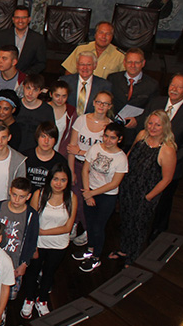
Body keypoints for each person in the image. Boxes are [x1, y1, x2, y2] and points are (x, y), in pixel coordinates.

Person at [116, 111, 176, 264]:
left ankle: (132, 259)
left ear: (165, 127)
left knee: (138, 227)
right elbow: (130, 154)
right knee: (125, 220)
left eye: (158, 124)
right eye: (151, 123)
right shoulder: (142, 135)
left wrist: (148, 197)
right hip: (128, 188)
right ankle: (123, 250)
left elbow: (167, 179)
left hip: (145, 194)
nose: (153, 127)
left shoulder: (167, 149)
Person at [21, 163, 76, 318]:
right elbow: (31, 222)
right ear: (49, 179)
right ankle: (29, 298)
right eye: (55, 179)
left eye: (63, 180)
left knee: (49, 273)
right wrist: (35, 241)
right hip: (38, 243)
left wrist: (43, 232)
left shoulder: (72, 198)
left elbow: (67, 227)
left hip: (59, 245)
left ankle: (43, 299)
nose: (58, 183)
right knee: (32, 272)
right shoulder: (39, 194)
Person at [149, 73, 183, 237]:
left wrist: (168, 161)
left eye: (179, 87)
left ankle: (158, 228)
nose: (174, 89)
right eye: (172, 85)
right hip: (148, 163)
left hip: (171, 167)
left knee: (163, 201)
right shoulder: (156, 102)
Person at [77, 122, 127, 272]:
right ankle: (90, 249)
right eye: (106, 136)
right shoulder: (95, 148)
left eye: (112, 137)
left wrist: (91, 194)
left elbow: (114, 183)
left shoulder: (121, 158)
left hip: (106, 197)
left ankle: (96, 257)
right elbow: (85, 170)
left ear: (119, 139)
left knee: (99, 227)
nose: (108, 140)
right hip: (89, 191)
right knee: (90, 223)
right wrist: (87, 192)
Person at [66, 90, 113, 245]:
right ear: (93, 102)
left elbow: (105, 153)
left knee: (88, 200)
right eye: (99, 102)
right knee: (75, 200)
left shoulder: (110, 126)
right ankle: (73, 225)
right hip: (78, 166)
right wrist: (71, 170)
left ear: (109, 106)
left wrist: (81, 151)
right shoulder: (81, 120)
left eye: (105, 103)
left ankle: (88, 230)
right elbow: (71, 148)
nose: (101, 106)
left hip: (96, 170)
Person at [0, 177, 39, 301]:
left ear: (28, 196)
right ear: (9, 191)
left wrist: (24, 263)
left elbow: (32, 241)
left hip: (15, 264)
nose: (17, 200)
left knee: (8, 297)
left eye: (21, 197)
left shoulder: (31, 215)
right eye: (14, 195)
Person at [110, 48, 159, 148]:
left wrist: (138, 120)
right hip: (112, 131)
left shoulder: (152, 85)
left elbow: (153, 110)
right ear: (124, 63)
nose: (133, 66)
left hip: (134, 135)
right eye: (130, 62)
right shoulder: (113, 79)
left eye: (136, 62)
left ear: (143, 63)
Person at [0, 6, 47, 74]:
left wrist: (23, 76)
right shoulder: (2, 36)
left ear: (29, 19)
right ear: (13, 19)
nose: (20, 21)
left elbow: (41, 63)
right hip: (3, 75)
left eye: (23, 18)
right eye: (17, 17)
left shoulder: (38, 39)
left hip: (26, 79)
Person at [15, 74, 55, 152]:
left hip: (36, 152)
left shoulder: (47, 110)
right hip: (14, 151)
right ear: (23, 87)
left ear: (40, 91)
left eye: (35, 90)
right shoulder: (15, 105)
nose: (30, 93)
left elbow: (50, 134)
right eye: (28, 88)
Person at [24, 122, 68, 191]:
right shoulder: (24, 157)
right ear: (37, 137)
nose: (46, 141)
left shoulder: (61, 162)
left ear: (55, 140)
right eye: (43, 136)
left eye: (50, 137)